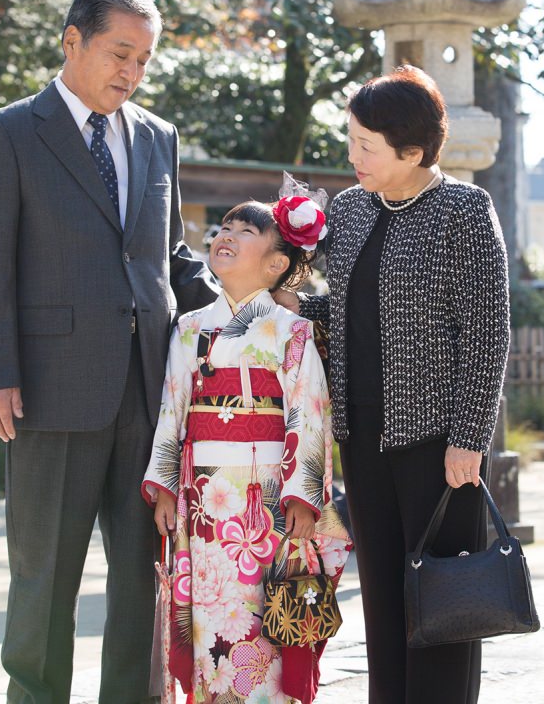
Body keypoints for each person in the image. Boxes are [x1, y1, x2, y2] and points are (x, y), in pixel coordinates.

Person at [0, 0, 218, 704]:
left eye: (144, 60)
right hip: (47, 393)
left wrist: (252, 297)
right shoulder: (8, 133)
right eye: (120, 54)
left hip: (148, 394)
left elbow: (171, 259)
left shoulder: (157, 136)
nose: (131, 74)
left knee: (144, 578)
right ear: (72, 41)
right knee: (45, 579)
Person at [280, 66, 510, 704]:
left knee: (441, 600)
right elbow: (351, 313)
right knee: (382, 596)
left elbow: (487, 332)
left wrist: (469, 438)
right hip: (365, 437)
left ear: (413, 151)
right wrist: (289, 304)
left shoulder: (465, 210)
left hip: (440, 444)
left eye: (366, 147)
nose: (352, 158)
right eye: (350, 140)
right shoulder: (350, 211)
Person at [142, 193, 352, 704]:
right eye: (224, 228)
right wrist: (166, 487)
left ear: (278, 263)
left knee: (265, 619)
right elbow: (173, 408)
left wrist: (304, 498)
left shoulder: (293, 331)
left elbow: (309, 414)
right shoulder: (190, 328)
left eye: (245, 232)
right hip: (206, 500)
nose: (226, 237)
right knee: (211, 617)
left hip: (271, 501)